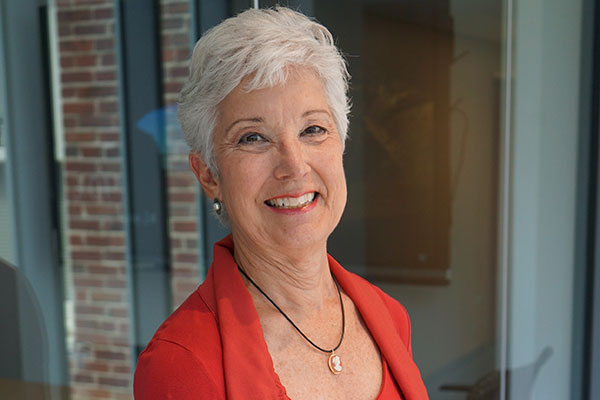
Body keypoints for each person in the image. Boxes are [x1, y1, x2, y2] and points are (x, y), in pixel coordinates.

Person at [134, 7, 428, 399]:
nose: (293, 165)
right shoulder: (182, 365)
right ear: (209, 175)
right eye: (253, 137)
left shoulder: (388, 316)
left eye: (312, 129)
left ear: (340, 144)